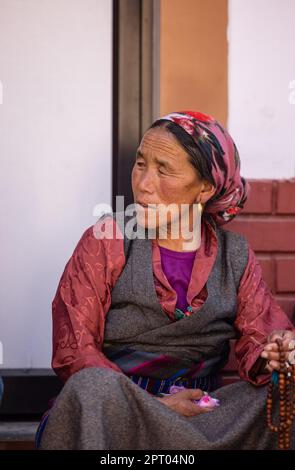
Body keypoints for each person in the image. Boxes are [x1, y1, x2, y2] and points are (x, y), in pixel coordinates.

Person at [37, 111, 295, 450]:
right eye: (141, 164)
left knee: (284, 391)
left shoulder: (234, 254)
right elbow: (75, 350)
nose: (143, 183)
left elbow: (262, 337)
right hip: (114, 416)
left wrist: (276, 353)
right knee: (90, 387)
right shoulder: (108, 238)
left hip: (200, 415)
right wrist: (151, 407)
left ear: (205, 188)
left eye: (164, 170)